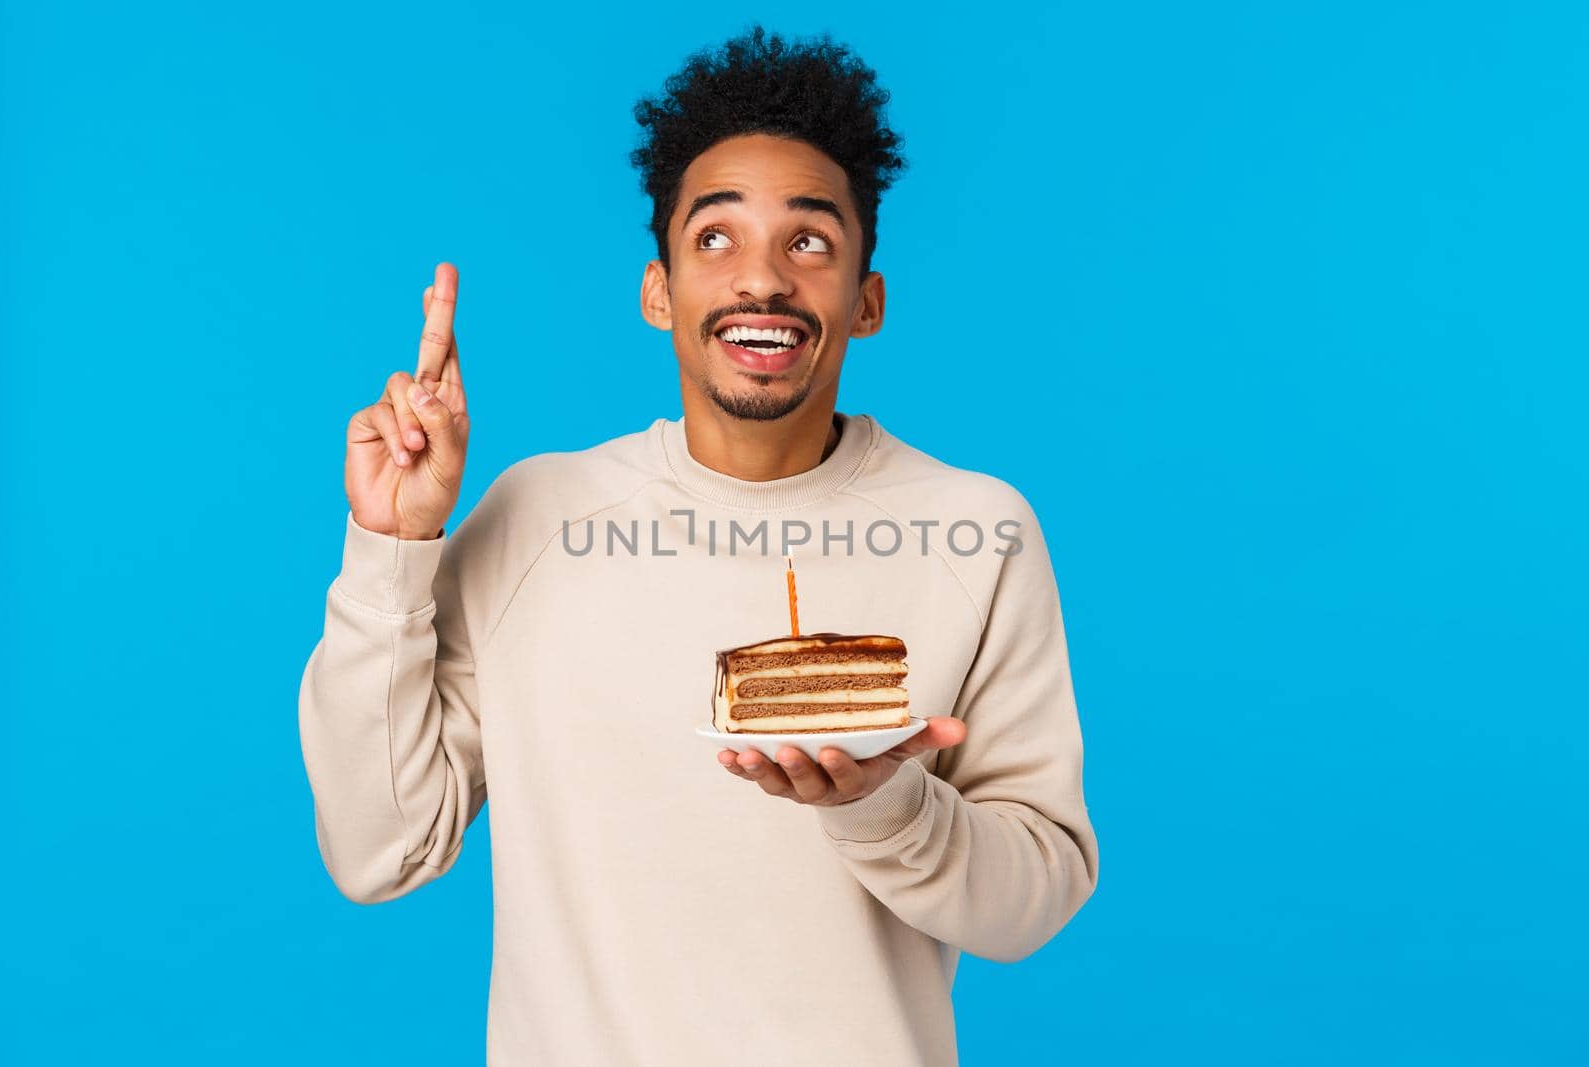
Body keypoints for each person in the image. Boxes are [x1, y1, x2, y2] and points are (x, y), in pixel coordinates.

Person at [297, 23, 1099, 1067]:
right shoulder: (538, 515)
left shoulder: (978, 529)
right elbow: (379, 847)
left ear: (866, 301)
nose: (761, 279)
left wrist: (885, 804)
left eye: (808, 240)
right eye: (714, 238)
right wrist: (390, 545)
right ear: (658, 291)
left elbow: (1033, 900)